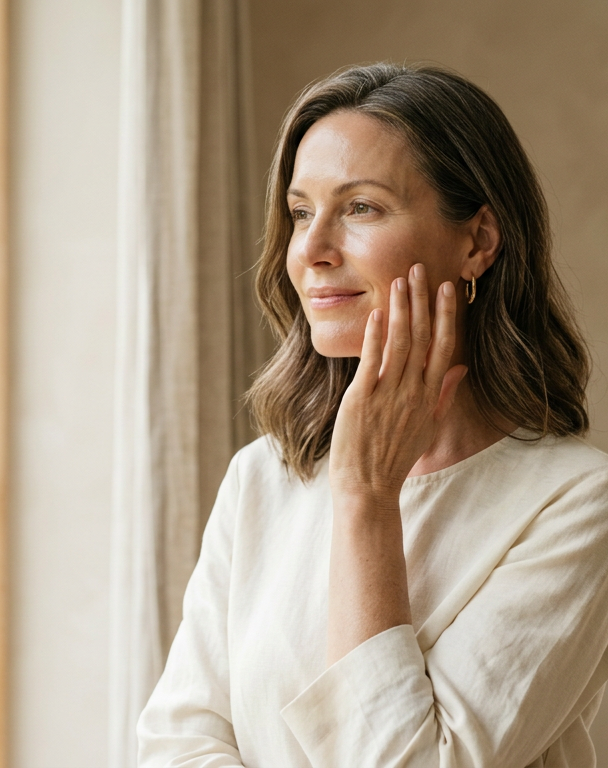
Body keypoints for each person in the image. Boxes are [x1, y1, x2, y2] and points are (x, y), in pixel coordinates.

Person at [136, 62, 608, 767]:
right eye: (300, 212)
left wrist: (366, 498)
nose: (312, 251)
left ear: (478, 242)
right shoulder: (261, 478)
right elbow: (178, 743)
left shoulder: (577, 503)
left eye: (360, 208)